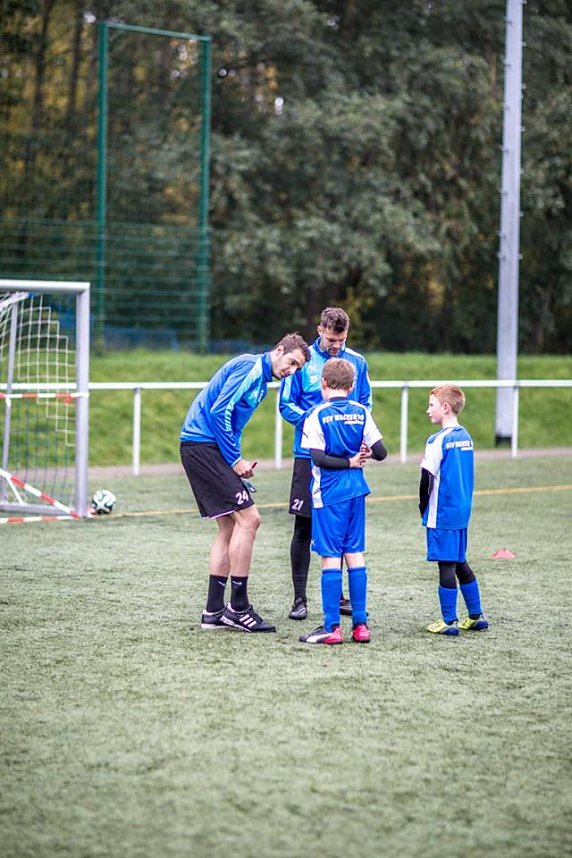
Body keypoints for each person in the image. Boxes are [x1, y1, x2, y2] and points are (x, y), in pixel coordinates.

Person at [180, 333, 311, 633]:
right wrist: (234, 459)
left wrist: (235, 464)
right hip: (201, 445)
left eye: (298, 369)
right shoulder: (249, 366)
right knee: (250, 519)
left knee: (229, 526)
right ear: (278, 350)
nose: (292, 371)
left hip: (204, 448)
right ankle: (238, 608)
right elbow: (219, 412)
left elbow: (233, 424)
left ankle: (213, 611)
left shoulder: (262, 384)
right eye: (291, 362)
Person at [279, 307, 372, 620]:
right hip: (309, 456)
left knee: (344, 529)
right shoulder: (303, 363)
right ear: (319, 329)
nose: (336, 345)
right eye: (331, 338)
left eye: (342, 339)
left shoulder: (356, 362)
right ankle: (299, 599)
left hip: (347, 461)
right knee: (304, 526)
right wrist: (317, 422)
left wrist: (359, 437)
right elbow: (285, 404)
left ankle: (341, 596)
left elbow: (366, 404)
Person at [297, 358, 387, 644]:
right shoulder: (361, 411)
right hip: (356, 491)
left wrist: (349, 461)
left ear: (323, 384)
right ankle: (361, 626)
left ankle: (331, 626)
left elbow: (318, 458)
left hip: (329, 494)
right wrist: (364, 455)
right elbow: (381, 451)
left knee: (330, 556)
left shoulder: (317, 414)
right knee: (355, 554)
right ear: (352, 386)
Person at [419, 384, 489, 636]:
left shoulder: (437, 440)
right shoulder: (465, 436)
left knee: (446, 565)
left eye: (431, 405)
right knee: (460, 561)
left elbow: (426, 478)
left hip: (443, 511)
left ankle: (449, 621)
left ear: (445, 408)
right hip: (461, 511)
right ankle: (476, 615)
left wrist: (423, 507)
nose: (428, 410)